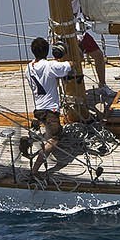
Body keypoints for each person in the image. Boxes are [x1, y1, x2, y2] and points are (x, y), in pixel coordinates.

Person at [24, 36, 77, 177]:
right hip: (50, 111)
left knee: (48, 133)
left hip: (38, 109)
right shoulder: (51, 66)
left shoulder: (28, 68)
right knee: (55, 137)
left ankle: (31, 141)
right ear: (47, 51)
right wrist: (66, 56)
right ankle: (34, 170)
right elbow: (71, 65)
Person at [66, 0, 107, 92]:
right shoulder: (62, 4)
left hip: (80, 34)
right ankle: (74, 89)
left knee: (98, 56)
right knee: (75, 60)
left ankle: (102, 85)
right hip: (66, 37)